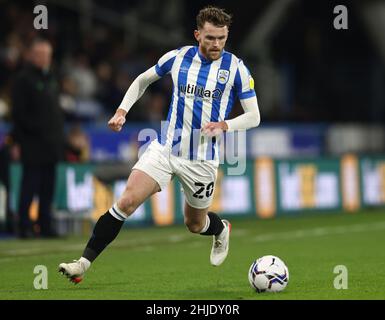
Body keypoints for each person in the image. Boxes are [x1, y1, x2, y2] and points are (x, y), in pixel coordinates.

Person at [59, 6, 260, 283]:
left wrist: (224, 125)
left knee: (194, 224)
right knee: (127, 201)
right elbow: (143, 80)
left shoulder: (236, 68)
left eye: (222, 38)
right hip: (166, 149)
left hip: (202, 159)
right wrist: (122, 110)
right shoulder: (177, 58)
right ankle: (82, 263)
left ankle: (220, 229)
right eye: (211, 38)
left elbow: (254, 116)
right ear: (197, 34)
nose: (216, 44)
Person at [12, 39, 65, 238]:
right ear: (32, 56)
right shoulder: (24, 80)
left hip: (51, 145)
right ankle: (24, 226)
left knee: (47, 188)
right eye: (41, 55)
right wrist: (25, 137)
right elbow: (18, 114)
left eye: (47, 55)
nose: (45, 59)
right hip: (33, 144)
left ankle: (45, 225)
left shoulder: (50, 78)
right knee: (30, 186)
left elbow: (55, 112)